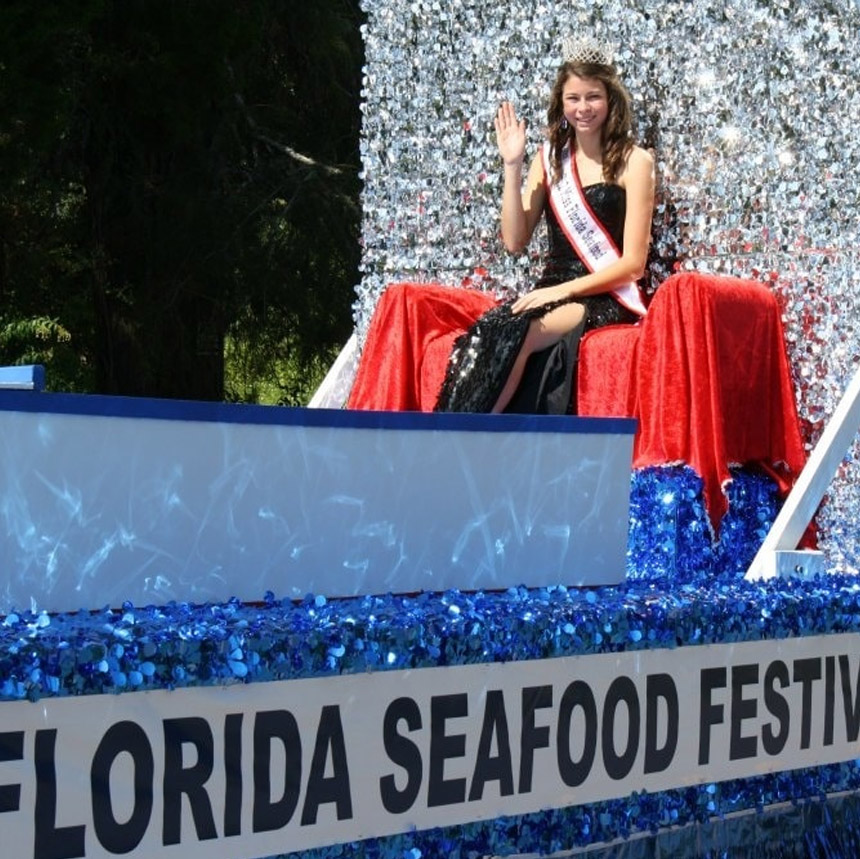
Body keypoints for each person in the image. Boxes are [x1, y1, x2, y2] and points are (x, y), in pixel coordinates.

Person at [347, 36, 655, 415]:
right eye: (573, 98)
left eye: (593, 97)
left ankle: (472, 436)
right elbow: (514, 240)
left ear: (611, 100)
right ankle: (450, 429)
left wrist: (561, 292)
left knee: (518, 332)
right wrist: (512, 165)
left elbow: (633, 265)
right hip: (550, 290)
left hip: (601, 295)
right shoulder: (550, 159)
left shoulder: (634, 161)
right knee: (490, 328)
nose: (583, 108)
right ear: (561, 103)